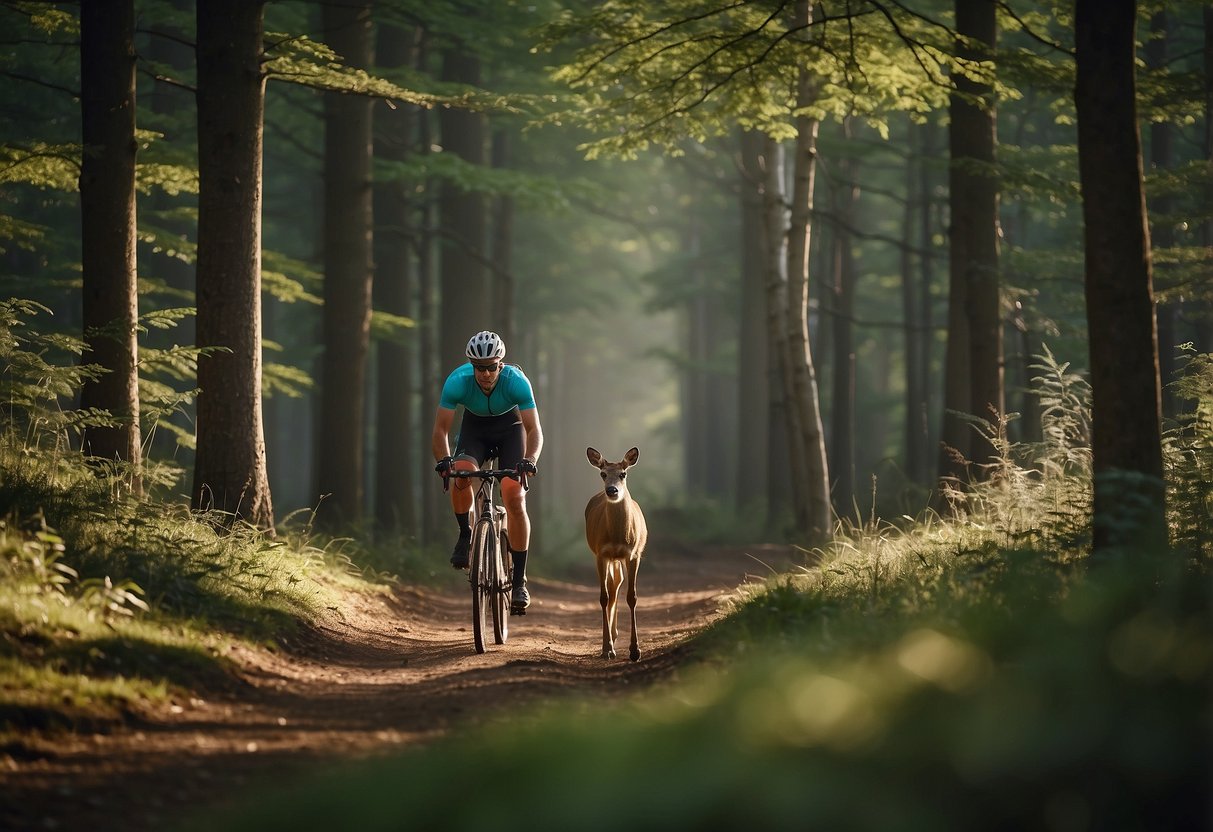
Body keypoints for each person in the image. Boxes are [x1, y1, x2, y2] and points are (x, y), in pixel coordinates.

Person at [432, 330, 543, 613]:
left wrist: (529, 459)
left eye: (491, 367)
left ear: (500, 364)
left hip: (510, 430)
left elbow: (534, 430)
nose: (485, 373)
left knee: (514, 495)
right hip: (475, 430)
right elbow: (441, 430)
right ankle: (465, 533)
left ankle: (519, 581)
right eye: (479, 368)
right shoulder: (458, 381)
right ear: (471, 366)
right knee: (461, 473)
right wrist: (444, 460)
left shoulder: (516, 382)